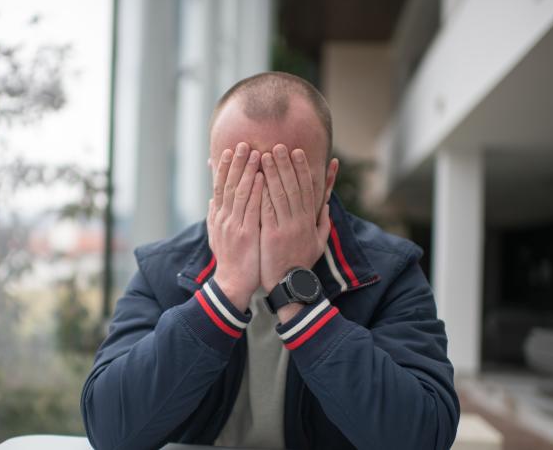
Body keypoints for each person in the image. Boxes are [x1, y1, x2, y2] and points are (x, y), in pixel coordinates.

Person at [81, 72, 459, 450]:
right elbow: (111, 432)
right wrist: (226, 290)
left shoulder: (386, 273)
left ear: (328, 182)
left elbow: (423, 437)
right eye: (244, 177)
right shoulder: (163, 270)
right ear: (215, 178)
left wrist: (296, 291)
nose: (265, 198)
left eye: (289, 180)